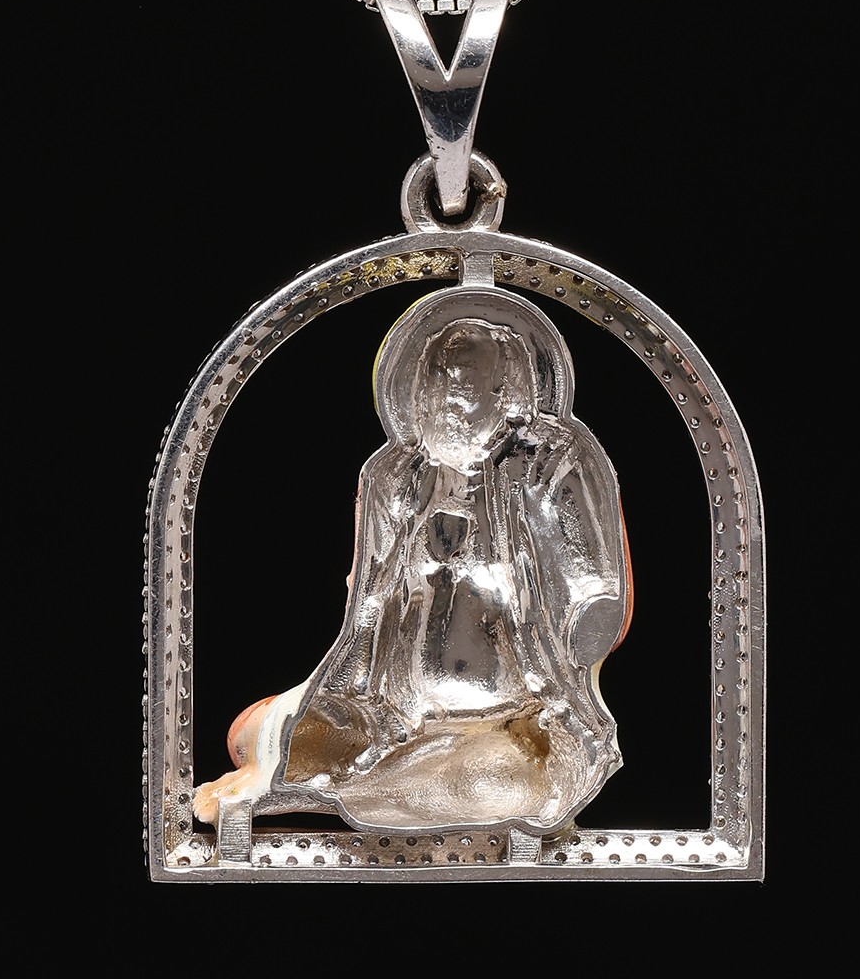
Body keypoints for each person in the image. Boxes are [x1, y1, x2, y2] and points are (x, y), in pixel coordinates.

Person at [194, 287, 632, 834]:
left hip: (509, 719)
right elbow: (367, 606)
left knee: (496, 777)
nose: (452, 399)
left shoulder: (544, 466)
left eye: (469, 385)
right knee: (254, 734)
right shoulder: (395, 478)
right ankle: (346, 773)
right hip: (393, 711)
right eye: (440, 382)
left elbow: (595, 590)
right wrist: (342, 699)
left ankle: (347, 788)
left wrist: (585, 620)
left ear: (507, 393)